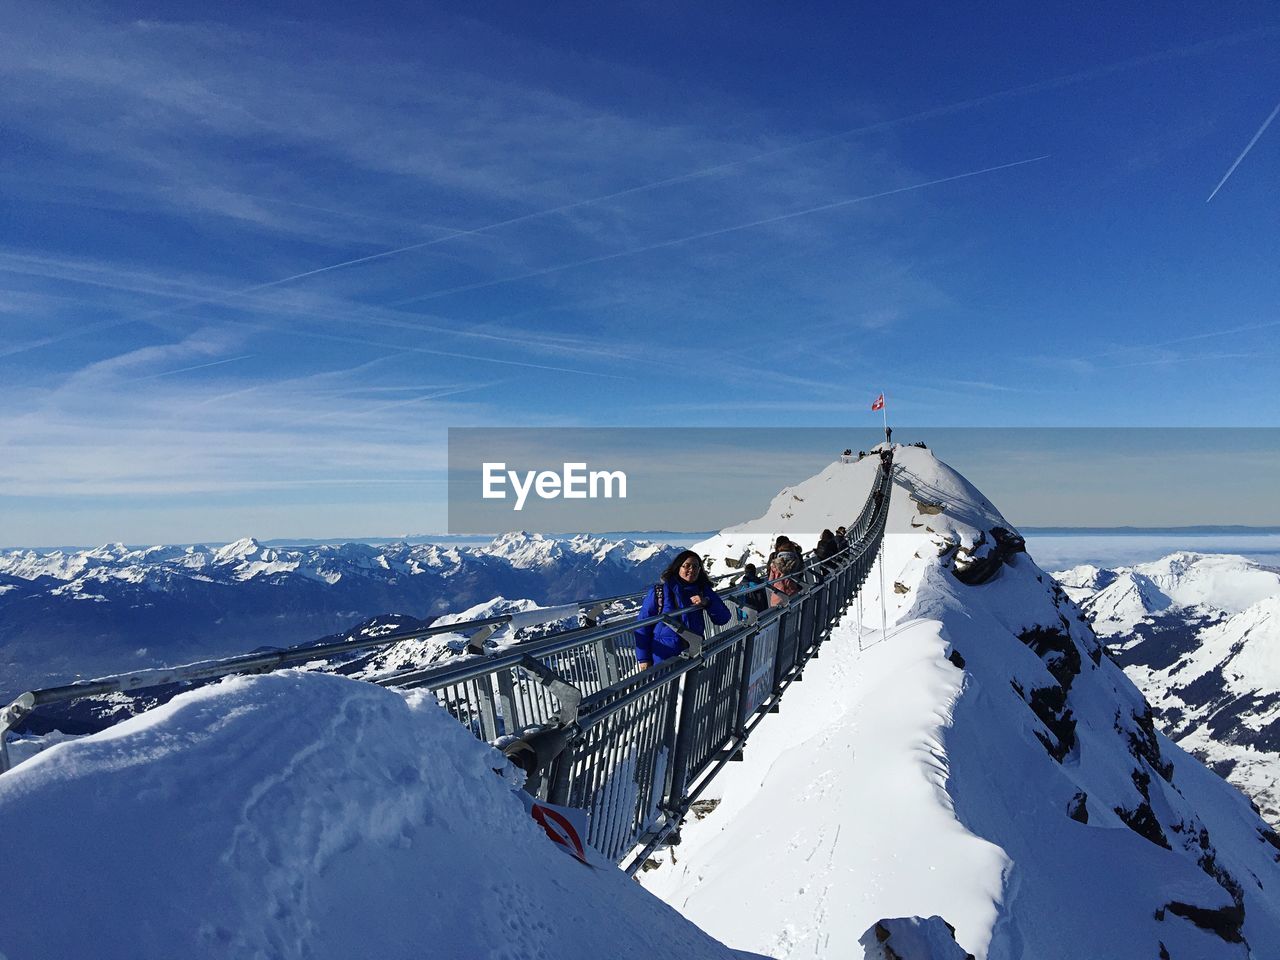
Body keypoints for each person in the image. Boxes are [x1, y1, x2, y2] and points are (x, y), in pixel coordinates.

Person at [634, 550, 731, 669]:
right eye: (687, 566)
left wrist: (707, 602)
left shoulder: (703, 590)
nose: (691, 569)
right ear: (678, 568)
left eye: (696, 566)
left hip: (692, 655)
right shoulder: (659, 592)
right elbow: (643, 625)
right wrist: (644, 659)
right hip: (664, 658)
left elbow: (723, 618)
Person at [765, 536, 803, 607]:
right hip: (793, 594)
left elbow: (770, 582)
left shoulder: (774, 563)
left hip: (777, 598)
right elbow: (801, 573)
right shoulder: (796, 561)